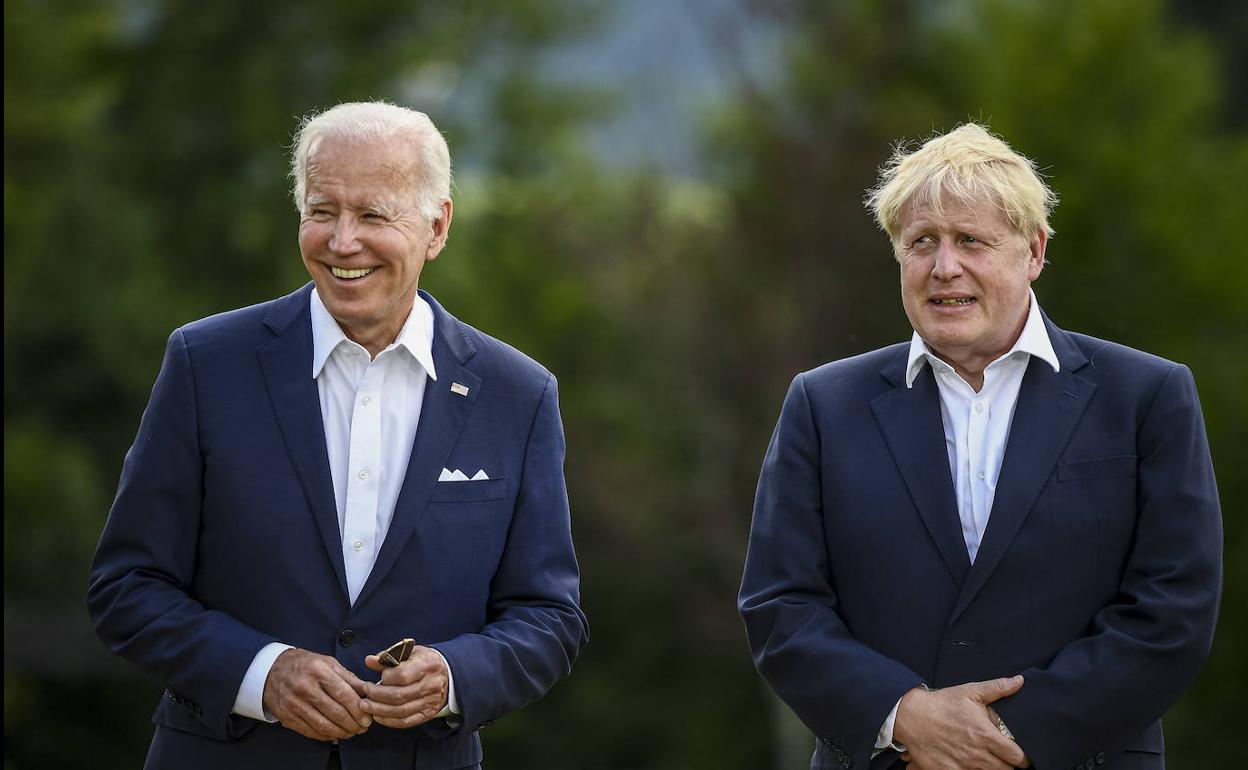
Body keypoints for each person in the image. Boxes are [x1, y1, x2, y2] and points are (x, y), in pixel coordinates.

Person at [88, 101, 588, 770]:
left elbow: (548, 618)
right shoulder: (206, 364)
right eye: (323, 211)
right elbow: (127, 586)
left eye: (374, 215)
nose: (341, 242)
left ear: (436, 226)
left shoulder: (518, 395)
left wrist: (454, 677)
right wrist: (262, 673)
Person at [738, 123, 1221, 770]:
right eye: (921, 243)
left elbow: (1174, 612)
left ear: (1034, 251)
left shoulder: (1146, 397)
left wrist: (1001, 734)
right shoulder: (823, 405)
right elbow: (781, 607)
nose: (944, 267)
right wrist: (907, 718)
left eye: (970, 240)